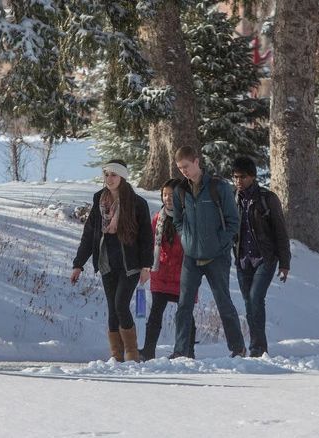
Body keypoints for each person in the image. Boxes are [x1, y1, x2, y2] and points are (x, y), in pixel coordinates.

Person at [71, 160, 154, 362]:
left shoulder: (137, 203)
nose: (109, 179)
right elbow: (89, 234)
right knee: (112, 307)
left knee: (120, 304)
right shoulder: (99, 200)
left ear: (122, 177)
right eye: (106, 175)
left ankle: (132, 353)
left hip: (130, 265)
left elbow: (146, 238)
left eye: (113, 175)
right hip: (107, 262)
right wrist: (78, 264)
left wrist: (146, 266)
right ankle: (116, 355)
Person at [170, 146, 246, 359]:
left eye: (186, 166)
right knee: (184, 304)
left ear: (196, 161)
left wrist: (221, 243)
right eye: (179, 168)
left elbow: (233, 222)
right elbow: (177, 221)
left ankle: (238, 348)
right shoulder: (180, 191)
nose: (183, 171)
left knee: (223, 302)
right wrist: (185, 239)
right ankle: (180, 350)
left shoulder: (218, 187)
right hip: (191, 256)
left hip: (217, 256)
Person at [231, 156, 291, 357]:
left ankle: (258, 348)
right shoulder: (233, 198)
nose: (238, 181)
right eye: (235, 177)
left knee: (256, 298)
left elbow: (280, 231)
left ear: (253, 177)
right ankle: (256, 345)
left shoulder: (267, 198)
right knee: (249, 303)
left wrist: (285, 262)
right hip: (242, 259)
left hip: (264, 258)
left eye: (243, 177)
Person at [139, 179, 194, 361]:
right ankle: (148, 351)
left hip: (183, 275)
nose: (168, 198)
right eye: (165, 195)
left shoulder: (190, 216)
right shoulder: (158, 218)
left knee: (185, 316)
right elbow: (148, 244)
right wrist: (146, 266)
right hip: (161, 274)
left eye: (172, 195)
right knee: (155, 315)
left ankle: (188, 352)